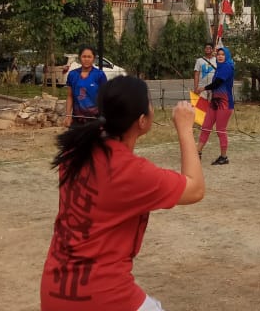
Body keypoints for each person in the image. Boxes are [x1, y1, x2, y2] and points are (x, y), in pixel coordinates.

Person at [40, 77, 205, 311]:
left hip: (55, 290)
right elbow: (195, 189)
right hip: (99, 296)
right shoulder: (130, 172)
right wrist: (185, 129)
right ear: (141, 121)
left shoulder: (77, 150)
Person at [198, 46, 235, 165]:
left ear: (227, 56)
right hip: (214, 102)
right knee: (206, 126)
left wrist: (203, 88)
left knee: (220, 130)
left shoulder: (227, 67)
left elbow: (217, 83)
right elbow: (215, 86)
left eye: (223, 54)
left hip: (225, 103)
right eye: (218, 54)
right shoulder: (219, 68)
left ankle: (223, 157)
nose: (220, 56)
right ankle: (197, 152)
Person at [65, 45, 108, 126]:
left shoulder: (99, 75)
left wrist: (104, 117)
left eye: (89, 57)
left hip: (95, 119)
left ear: (93, 58)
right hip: (77, 118)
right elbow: (70, 96)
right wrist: (68, 115)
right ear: (80, 58)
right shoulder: (72, 74)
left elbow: (104, 97)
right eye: (84, 56)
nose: (86, 59)